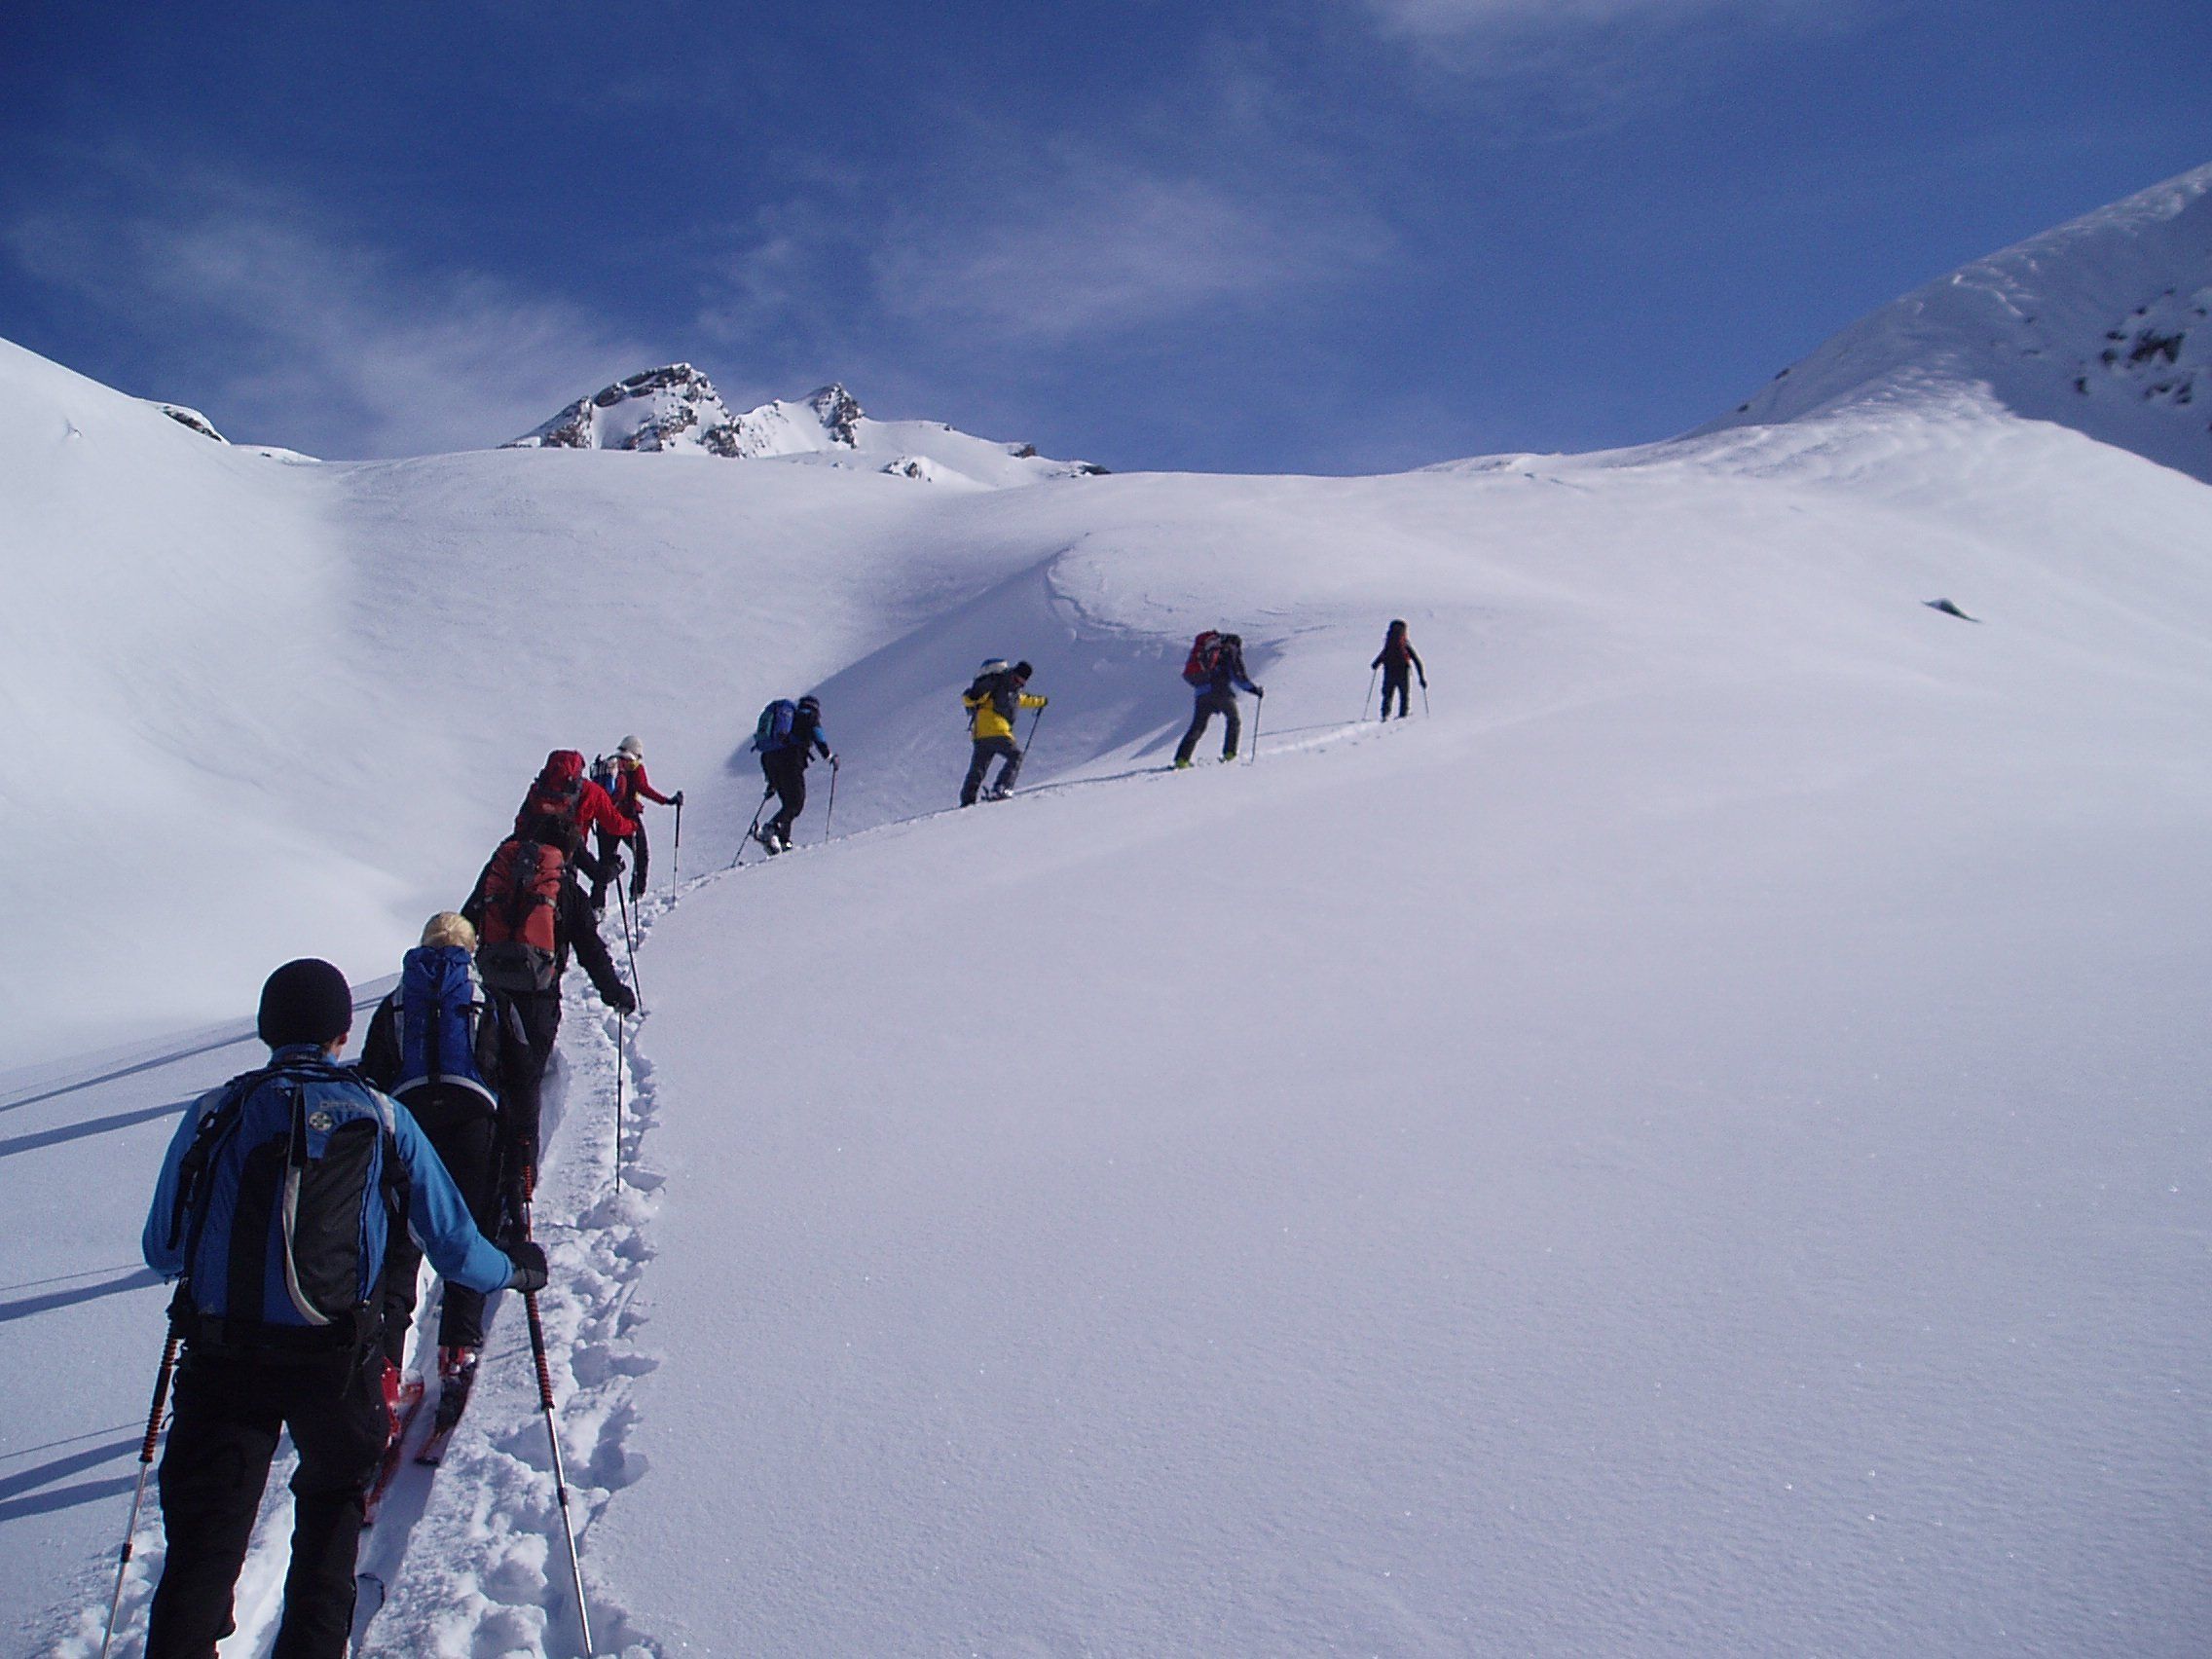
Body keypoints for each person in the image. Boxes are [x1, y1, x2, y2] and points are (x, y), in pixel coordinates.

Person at [139, 957, 546, 1659]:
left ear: (268, 1029)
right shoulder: (382, 1116)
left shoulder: (214, 1112)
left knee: (203, 1547)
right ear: (341, 1032)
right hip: (334, 1360)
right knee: (329, 1515)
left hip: (220, 1359)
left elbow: (164, 1250)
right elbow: (452, 1245)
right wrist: (514, 1268)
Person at [359, 913, 528, 1427]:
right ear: (470, 948)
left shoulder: (396, 1001)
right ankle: (458, 1355)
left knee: (400, 1242)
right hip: (473, 1120)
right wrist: (518, 1146)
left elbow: (373, 1073)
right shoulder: (485, 997)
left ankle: (385, 1366)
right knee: (467, 1232)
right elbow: (517, 1071)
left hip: (409, 1122)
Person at [462, 796, 636, 1213]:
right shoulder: (564, 888)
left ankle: (479, 1179)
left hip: (490, 997)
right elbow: (591, 949)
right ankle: (520, 1191)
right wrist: (616, 994)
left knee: (489, 1083)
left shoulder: (498, 873)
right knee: (525, 1093)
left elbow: (466, 921)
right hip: (538, 1002)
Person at [514, 749, 635, 897]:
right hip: (567, 857)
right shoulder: (592, 792)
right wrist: (631, 827)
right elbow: (614, 824)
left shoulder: (538, 791)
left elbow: (520, 823)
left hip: (525, 860)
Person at [590, 735, 682, 909]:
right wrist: (667, 801)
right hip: (627, 818)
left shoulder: (609, 764)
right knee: (641, 854)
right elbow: (643, 788)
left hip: (604, 820)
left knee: (604, 862)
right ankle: (637, 892)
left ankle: (597, 905)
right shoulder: (634, 766)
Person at [755, 696, 835, 854]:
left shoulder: (786, 727)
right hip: (790, 760)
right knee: (796, 803)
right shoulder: (808, 716)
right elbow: (818, 735)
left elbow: (768, 755)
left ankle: (783, 841)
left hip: (770, 761)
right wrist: (829, 756)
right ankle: (770, 829)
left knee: (788, 803)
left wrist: (772, 783)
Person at [960, 659, 1047, 806]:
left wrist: (1041, 701)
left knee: (978, 769)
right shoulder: (1001, 683)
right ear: (1016, 673)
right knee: (1016, 756)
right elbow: (976, 698)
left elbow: (1023, 700)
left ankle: (967, 801)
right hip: (996, 730)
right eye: (1020, 679)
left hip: (980, 734)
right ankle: (1001, 787)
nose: (1021, 683)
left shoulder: (1011, 688)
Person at [1173, 631, 1263, 767]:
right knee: (1233, 720)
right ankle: (1229, 754)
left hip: (1201, 693)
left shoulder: (1206, 650)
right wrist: (1253, 689)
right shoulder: (1230, 650)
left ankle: (1181, 759)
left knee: (1197, 727)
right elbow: (1237, 675)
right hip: (1221, 691)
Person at [1373, 619, 1426, 720]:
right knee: (1404, 693)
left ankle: (1385, 714)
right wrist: (1421, 678)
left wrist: (1375, 664)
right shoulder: (1405, 645)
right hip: (1402, 670)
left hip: (1389, 670)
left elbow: (1381, 657)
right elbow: (1417, 661)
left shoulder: (1389, 645)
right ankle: (1403, 714)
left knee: (1388, 694)